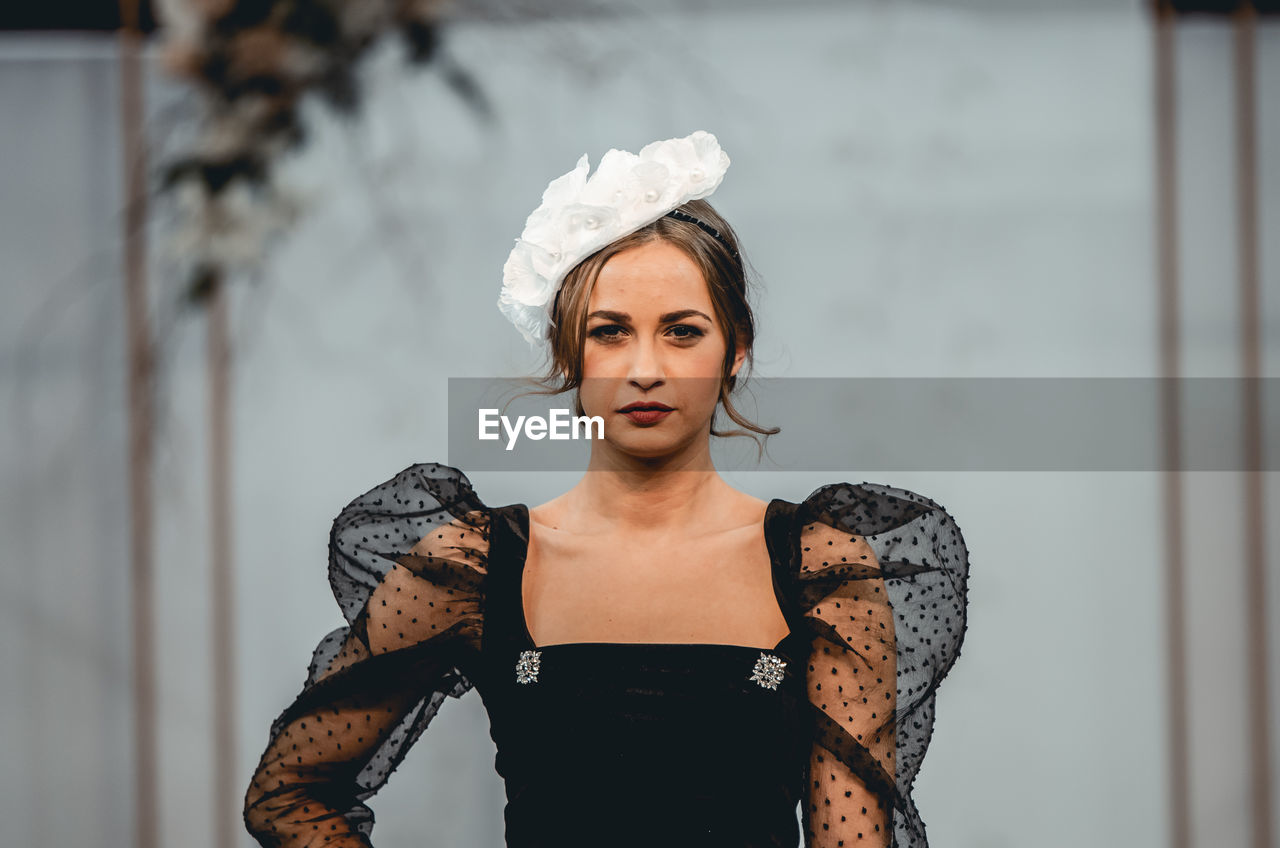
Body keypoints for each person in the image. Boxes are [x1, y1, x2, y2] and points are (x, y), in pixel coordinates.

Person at [242, 131, 970, 848]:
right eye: (611, 332)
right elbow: (288, 794)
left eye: (682, 332)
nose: (645, 368)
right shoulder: (474, 564)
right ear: (568, 350)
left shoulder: (821, 571)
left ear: (735, 349)